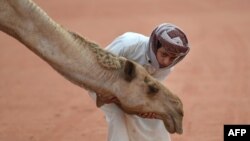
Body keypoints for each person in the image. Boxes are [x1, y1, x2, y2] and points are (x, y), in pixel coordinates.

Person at [89, 23, 190, 141]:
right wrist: (108, 95)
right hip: (101, 83)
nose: (166, 62)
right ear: (155, 45)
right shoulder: (129, 43)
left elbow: (149, 91)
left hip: (133, 92)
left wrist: (148, 109)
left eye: (172, 58)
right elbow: (98, 68)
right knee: (118, 117)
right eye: (164, 54)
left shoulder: (167, 68)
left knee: (155, 119)